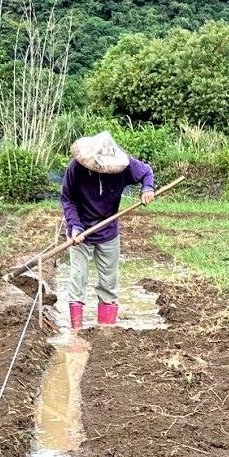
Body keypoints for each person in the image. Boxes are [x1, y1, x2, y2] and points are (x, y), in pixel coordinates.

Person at [59, 130, 155, 331]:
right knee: (78, 279)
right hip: (81, 232)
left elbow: (146, 172)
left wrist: (147, 188)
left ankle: (106, 333)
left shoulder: (122, 166)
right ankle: (76, 332)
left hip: (109, 231)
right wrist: (75, 226)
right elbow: (67, 199)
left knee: (109, 284)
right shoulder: (76, 168)